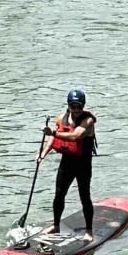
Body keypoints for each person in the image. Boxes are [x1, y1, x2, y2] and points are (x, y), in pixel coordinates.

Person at [38, 88, 97, 242]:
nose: (76, 109)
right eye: (73, 106)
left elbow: (75, 135)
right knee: (59, 194)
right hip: (67, 162)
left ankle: (89, 230)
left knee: (84, 196)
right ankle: (56, 225)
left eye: (79, 106)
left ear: (83, 105)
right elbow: (53, 140)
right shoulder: (61, 118)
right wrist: (42, 154)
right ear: (68, 105)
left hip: (83, 163)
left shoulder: (88, 121)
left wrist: (53, 133)